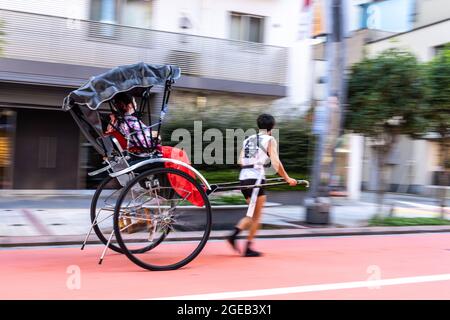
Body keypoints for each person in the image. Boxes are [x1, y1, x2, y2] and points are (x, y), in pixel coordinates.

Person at [226, 114, 297, 257]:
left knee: (252, 214)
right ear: (272, 126)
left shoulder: (248, 139)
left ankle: (234, 235)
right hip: (256, 179)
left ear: (258, 125)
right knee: (256, 217)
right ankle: (246, 247)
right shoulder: (270, 139)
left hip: (244, 179)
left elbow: (240, 160)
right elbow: (276, 163)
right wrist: (287, 178)